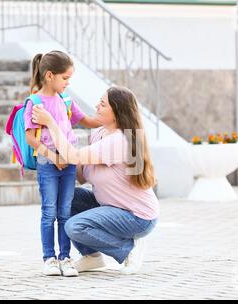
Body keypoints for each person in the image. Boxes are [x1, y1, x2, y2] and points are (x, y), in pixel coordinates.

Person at [32, 86, 159, 275]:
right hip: (110, 207)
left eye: (103, 104)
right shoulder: (100, 133)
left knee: (74, 226)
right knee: (66, 197)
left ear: (116, 112)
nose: (96, 107)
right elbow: (82, 175)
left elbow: (73, 156)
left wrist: (51, 123)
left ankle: (128, 248)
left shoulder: (119, 140)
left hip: (137, 217)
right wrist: (56, 154)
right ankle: (92, 257)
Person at [24, 51, 101, 277]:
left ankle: (65, 258)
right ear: (50, 75)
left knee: (65, 211)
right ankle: (49, 258)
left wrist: (115, 117)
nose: (68, 83)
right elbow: (31, 137)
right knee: (49, 211)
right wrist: (54, 156)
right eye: (65, 78)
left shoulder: (66, 101)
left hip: (68, 162)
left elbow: (88, 121)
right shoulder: (36, 103)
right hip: (48, 162)